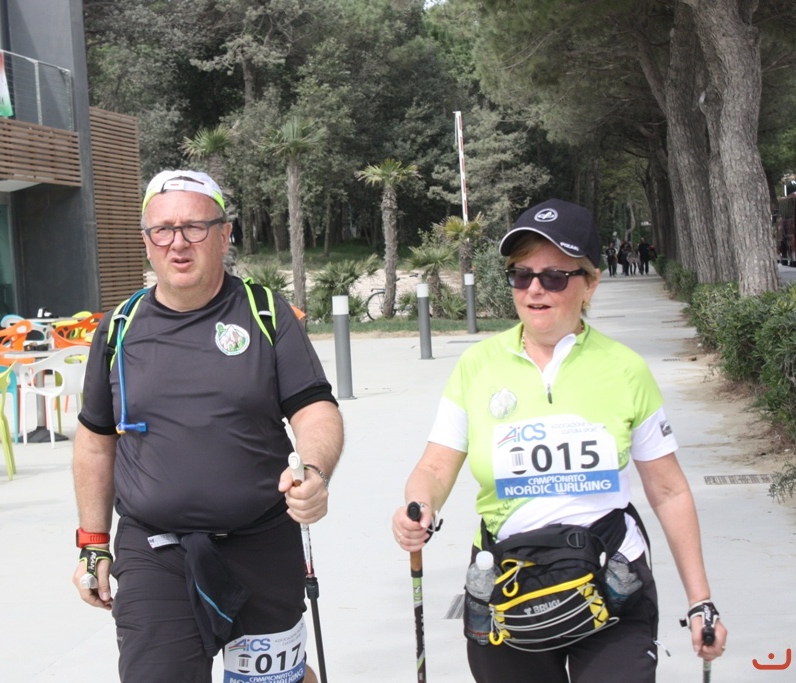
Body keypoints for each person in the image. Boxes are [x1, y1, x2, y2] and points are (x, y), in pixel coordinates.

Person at [392, 199, 726, 682]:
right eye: (521, 274)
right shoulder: (476, 366)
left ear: (590, 283)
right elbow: (435, 467)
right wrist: (418, 507)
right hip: (510, 584)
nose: (534, 289)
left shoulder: (625, 369)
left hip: (612, 580)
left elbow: (669, 490)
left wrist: (701, 600)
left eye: (554, 277)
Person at [72, 170, 343, 682]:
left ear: (224, 235)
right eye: (162, 230)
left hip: (262, 542)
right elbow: (94, 441)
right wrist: (93, 543)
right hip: (156, 551)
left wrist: (314, 470)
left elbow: (314, 408)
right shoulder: (118, 329)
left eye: (194, 227)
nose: (178, 243)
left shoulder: (266, 313)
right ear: (146, 241)